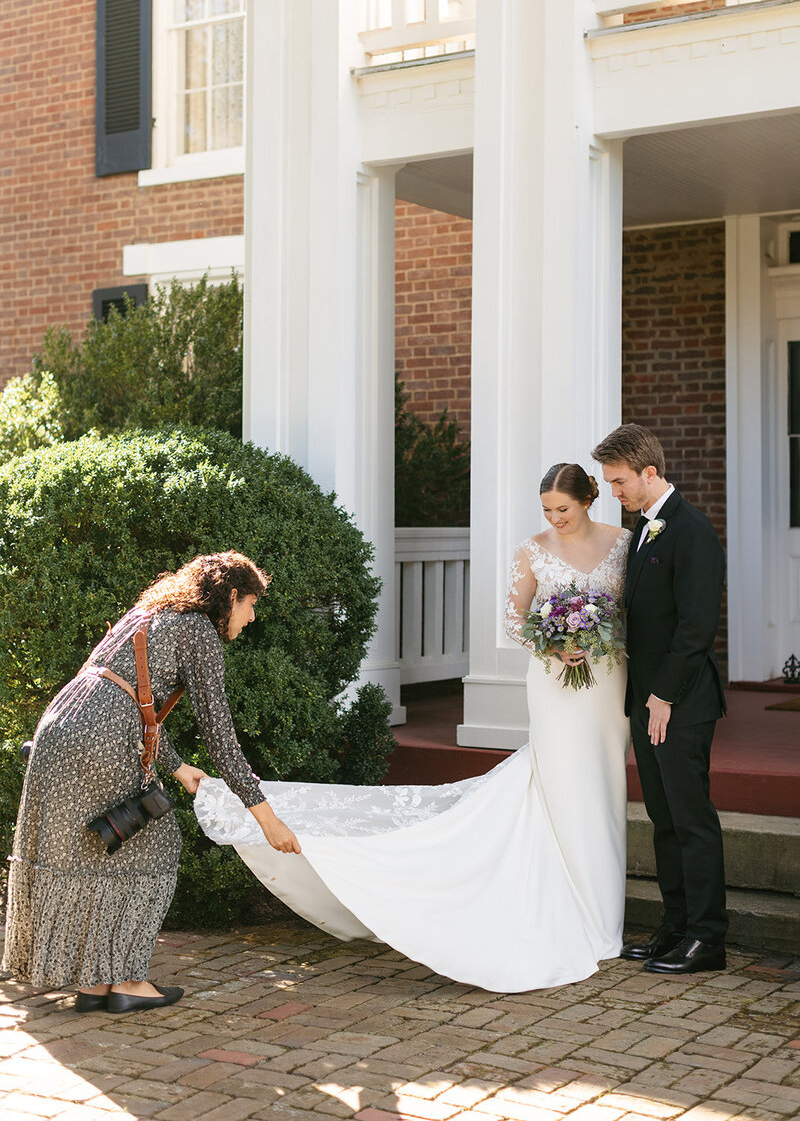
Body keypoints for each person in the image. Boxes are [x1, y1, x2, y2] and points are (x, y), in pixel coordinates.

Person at [194, 465, 631, 993]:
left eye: (563, 509)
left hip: (607, 678)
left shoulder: (624, 544)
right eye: (546, 510)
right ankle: (571, 908)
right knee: (563, 782)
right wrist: (554, 642)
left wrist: (602, 638)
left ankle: (607, 921)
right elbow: (515, 621)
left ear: (589, 500)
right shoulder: (532, 549)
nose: (555, 519)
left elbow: (633, 610)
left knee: (604, 785)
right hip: (555, 680)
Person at [3, 551, 300, 1014]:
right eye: (252, 605)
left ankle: (96, 983)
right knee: (157, 849)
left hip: (59, 728)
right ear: (233, 596)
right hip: (102, 739)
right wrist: (267, 819)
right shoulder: (199, 631)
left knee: (93, 853)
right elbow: (220, 737)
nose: (252, 616)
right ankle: (128, 982)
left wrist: (178, 768)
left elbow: (130, 694)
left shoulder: (149, 613)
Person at [592, 424, 727, 974]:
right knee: (664, 817)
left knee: (691, 818)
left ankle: (707, 938)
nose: (614, 493)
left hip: (681, 702)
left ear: (649, 472)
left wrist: (664, 696)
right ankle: (675, 926)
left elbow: (696, 627)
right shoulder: (644, 529)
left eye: (619, 482)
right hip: (645, 699)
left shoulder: (691, 530)